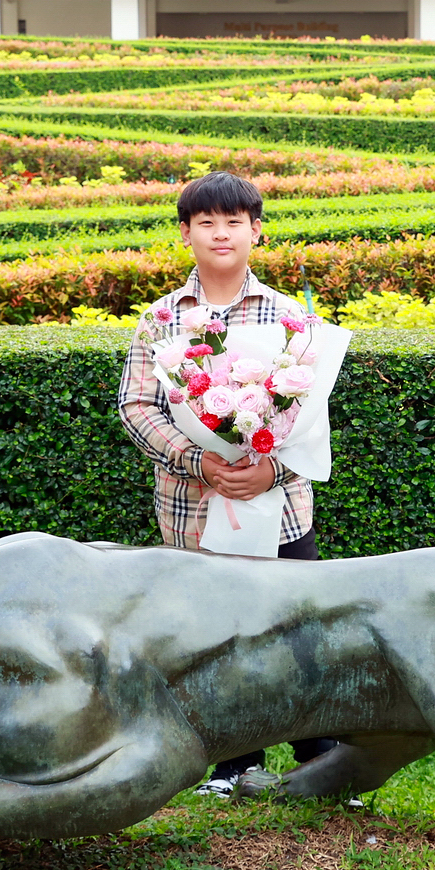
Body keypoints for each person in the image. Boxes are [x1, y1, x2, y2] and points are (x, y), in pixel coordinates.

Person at [117, 171, 335, 798]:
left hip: (281, 509)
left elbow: (310, 410)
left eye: (234, 221)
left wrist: (273, 464)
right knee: (213, 635)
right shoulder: (161, 320)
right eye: (206, 222)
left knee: (298, 632)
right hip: (192, 509)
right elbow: (137, 407)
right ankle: (235, 763)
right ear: (185, 233)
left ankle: (319, 760)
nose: (221, 233)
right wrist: (199, 460)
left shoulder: (292, 316)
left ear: (255, 231)